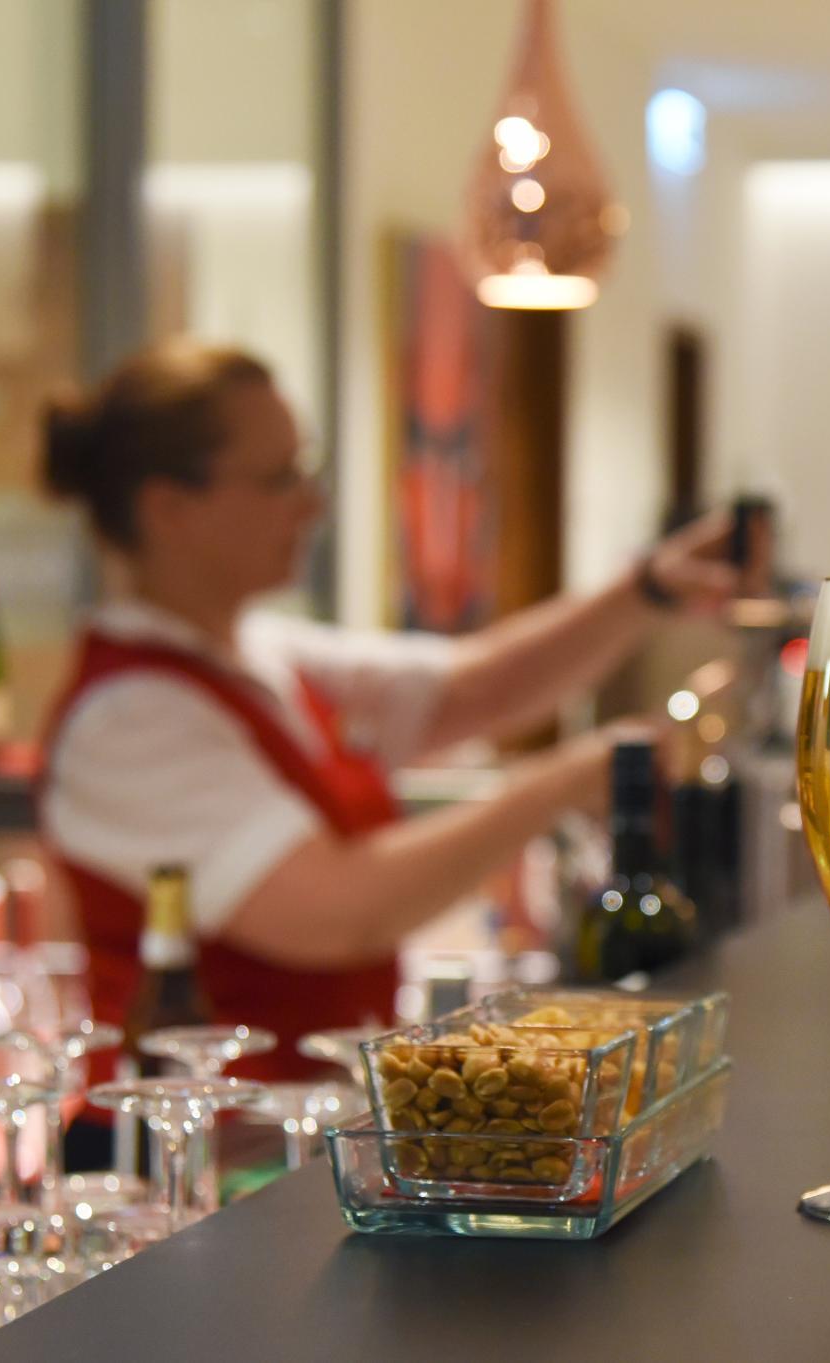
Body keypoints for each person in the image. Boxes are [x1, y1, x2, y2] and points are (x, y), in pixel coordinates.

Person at [36, 339, 732, 1085]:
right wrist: (557, 785)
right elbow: (339, 913)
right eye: (279, 479)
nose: (312, 504)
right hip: (198, 1139)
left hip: (294, 1126)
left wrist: (651, 588)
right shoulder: (129, 720)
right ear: (168, 509)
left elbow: (474, 689)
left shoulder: (260, 653)